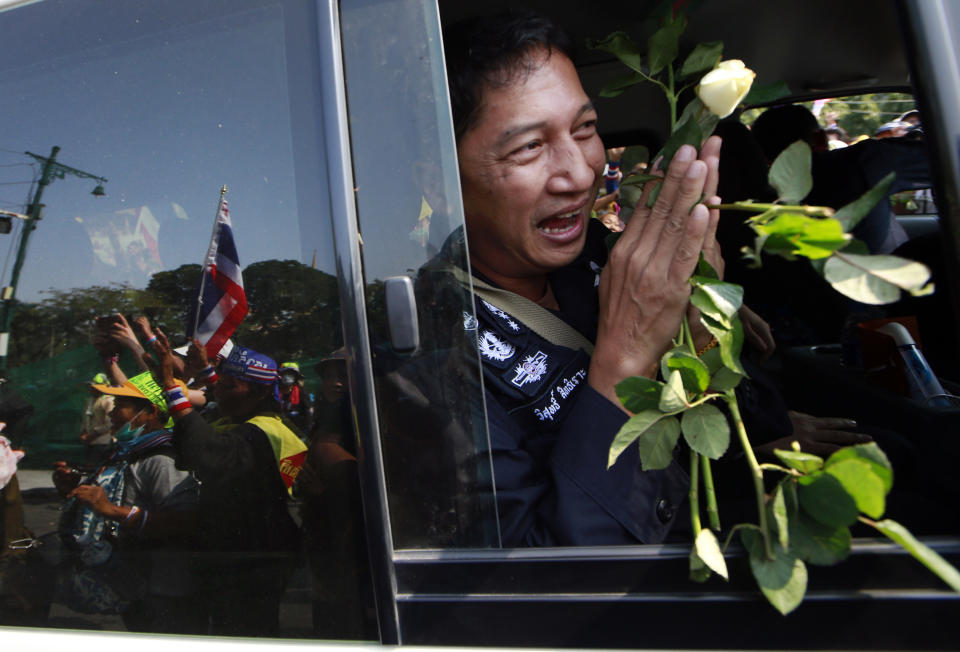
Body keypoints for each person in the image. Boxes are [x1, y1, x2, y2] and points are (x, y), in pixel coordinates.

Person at [443, 12, 867, 547]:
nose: (579, 174)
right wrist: (625, 359)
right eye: (529, 146)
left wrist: (710, 325)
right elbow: (552, 582)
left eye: (586, 129)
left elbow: (699, 420)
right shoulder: (427, 355)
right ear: (437, 166)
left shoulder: (602, 251)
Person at [144, 334, 304, 636]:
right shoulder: (243, 419)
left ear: (256, 392)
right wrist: (201, 371)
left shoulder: (262, 432)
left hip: (254, 560)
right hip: (236, 554)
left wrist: (170, 386)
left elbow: (206, 451)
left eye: (229, 385)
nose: (217, 390)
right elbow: (216, 408)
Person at [54, 371, 202, 633]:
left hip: (164, 587)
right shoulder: (129, 453)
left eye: (121, 406)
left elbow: (184, 521)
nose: (112, 413)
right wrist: (77, 489)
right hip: (137, 582)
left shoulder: (163, 460)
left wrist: (110, 510)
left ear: (150, 413)